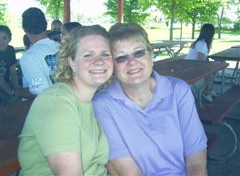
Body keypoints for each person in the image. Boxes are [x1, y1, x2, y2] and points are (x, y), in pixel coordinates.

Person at [93, 23, 208, 176]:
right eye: (121, 58)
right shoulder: (103, 104)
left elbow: (196, 162)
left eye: (139, 53)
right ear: (112, 65)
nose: (132, 62)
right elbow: (126, 172)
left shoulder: (178, 91)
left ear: (151, 53)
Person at [18, 25, 113, 175]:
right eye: (88, 55)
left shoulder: (93, 100)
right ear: (72, 62)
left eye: (105, 54)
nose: (99, 61)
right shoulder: (56, 102)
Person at [20, 7, 60, 95]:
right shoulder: (61, 47)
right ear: (46, 25)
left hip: (52, 106)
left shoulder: (29, 57)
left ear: (24, 28)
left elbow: (40, 91)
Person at [185, 23, 216, 102]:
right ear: (210, 33)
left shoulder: (203, 42)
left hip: (192, 65)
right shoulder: (201, 43)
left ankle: (208, 90)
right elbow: (201, 60)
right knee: (211, 73)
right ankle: (206, 92)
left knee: (213, 71)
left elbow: (203, 59)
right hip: (189, 67)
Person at [0, 25, 19, 104]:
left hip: (6, 85)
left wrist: (17, 89)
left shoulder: (10, 50)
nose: (1, 42)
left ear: (9, 39)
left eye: (4, 38)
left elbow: (13, 71)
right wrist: (11, 92)